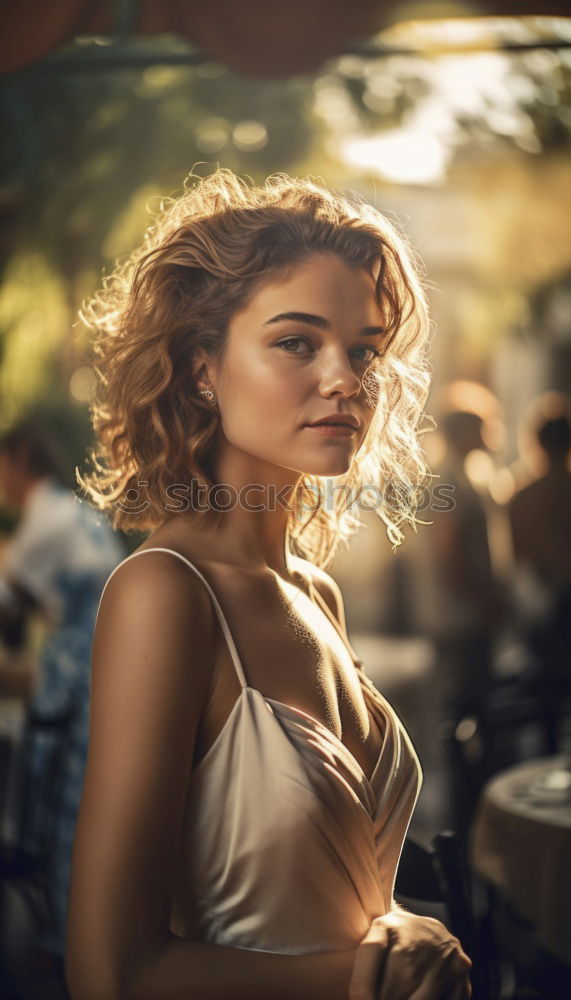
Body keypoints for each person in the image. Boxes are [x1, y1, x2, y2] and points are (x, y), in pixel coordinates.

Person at [66, 169, 472, 1000]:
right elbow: (108, 974)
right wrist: (381, 980)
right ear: (200, 368)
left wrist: (398, 934)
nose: (347, 380)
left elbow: (330, 898)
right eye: (297, 342)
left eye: (363, 350)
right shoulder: (165, 595)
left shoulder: (315, 593)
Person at [0, 417, 124, 975]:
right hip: (110, 663)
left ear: (22, 459)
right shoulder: (72, 512)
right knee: (90, 797)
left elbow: (8, 614)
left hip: (80, 673)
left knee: (60, 798)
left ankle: (67, 942)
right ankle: (88, 931)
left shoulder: (45, 520)